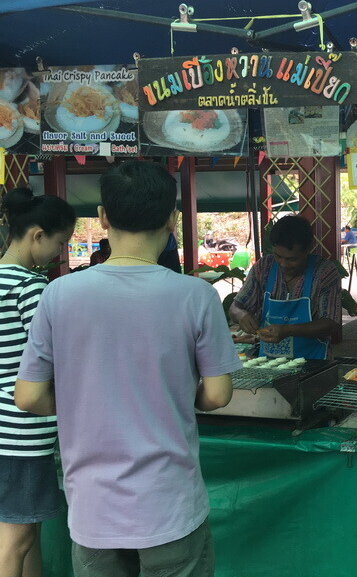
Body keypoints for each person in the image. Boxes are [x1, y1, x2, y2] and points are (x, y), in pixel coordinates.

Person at [15, 161, 239, 577]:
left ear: (101, 216)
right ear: (172, 220)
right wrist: (169, 393)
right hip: (170, 506)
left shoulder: (58, 294)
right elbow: (218, 394)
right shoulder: (196, 296)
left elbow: (27, 396)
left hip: (93, 511)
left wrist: (84, 399)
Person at [0, 188, 74, 577]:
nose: (59, 254)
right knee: (16, 541)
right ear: (36, 235)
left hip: (2, 428)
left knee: (23, 537)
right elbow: (52, 360)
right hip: (22, 431)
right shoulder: (30, 287)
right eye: (60, 243)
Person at [230, 215, 342, 359]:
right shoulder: (264, 268)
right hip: (267, 363)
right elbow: (235, 308)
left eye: (292, 259)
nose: (283, 264)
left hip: (314, 362)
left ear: (308, 249)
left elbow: (331, 323)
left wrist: (288, 330)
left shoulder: (324, 272)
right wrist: (241, 315)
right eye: (278, 256)